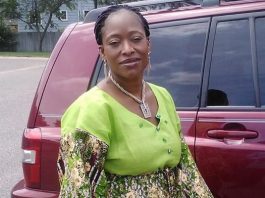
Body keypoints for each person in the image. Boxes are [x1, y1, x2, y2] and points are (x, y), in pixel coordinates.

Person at [57, 5, 213, 198]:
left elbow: (185, 169)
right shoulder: (90, 109)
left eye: (136, 39)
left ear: (149, 44)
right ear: (102, 52)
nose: (128, 49)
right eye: (115, 42)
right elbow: (77, 189)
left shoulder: (162, 96)